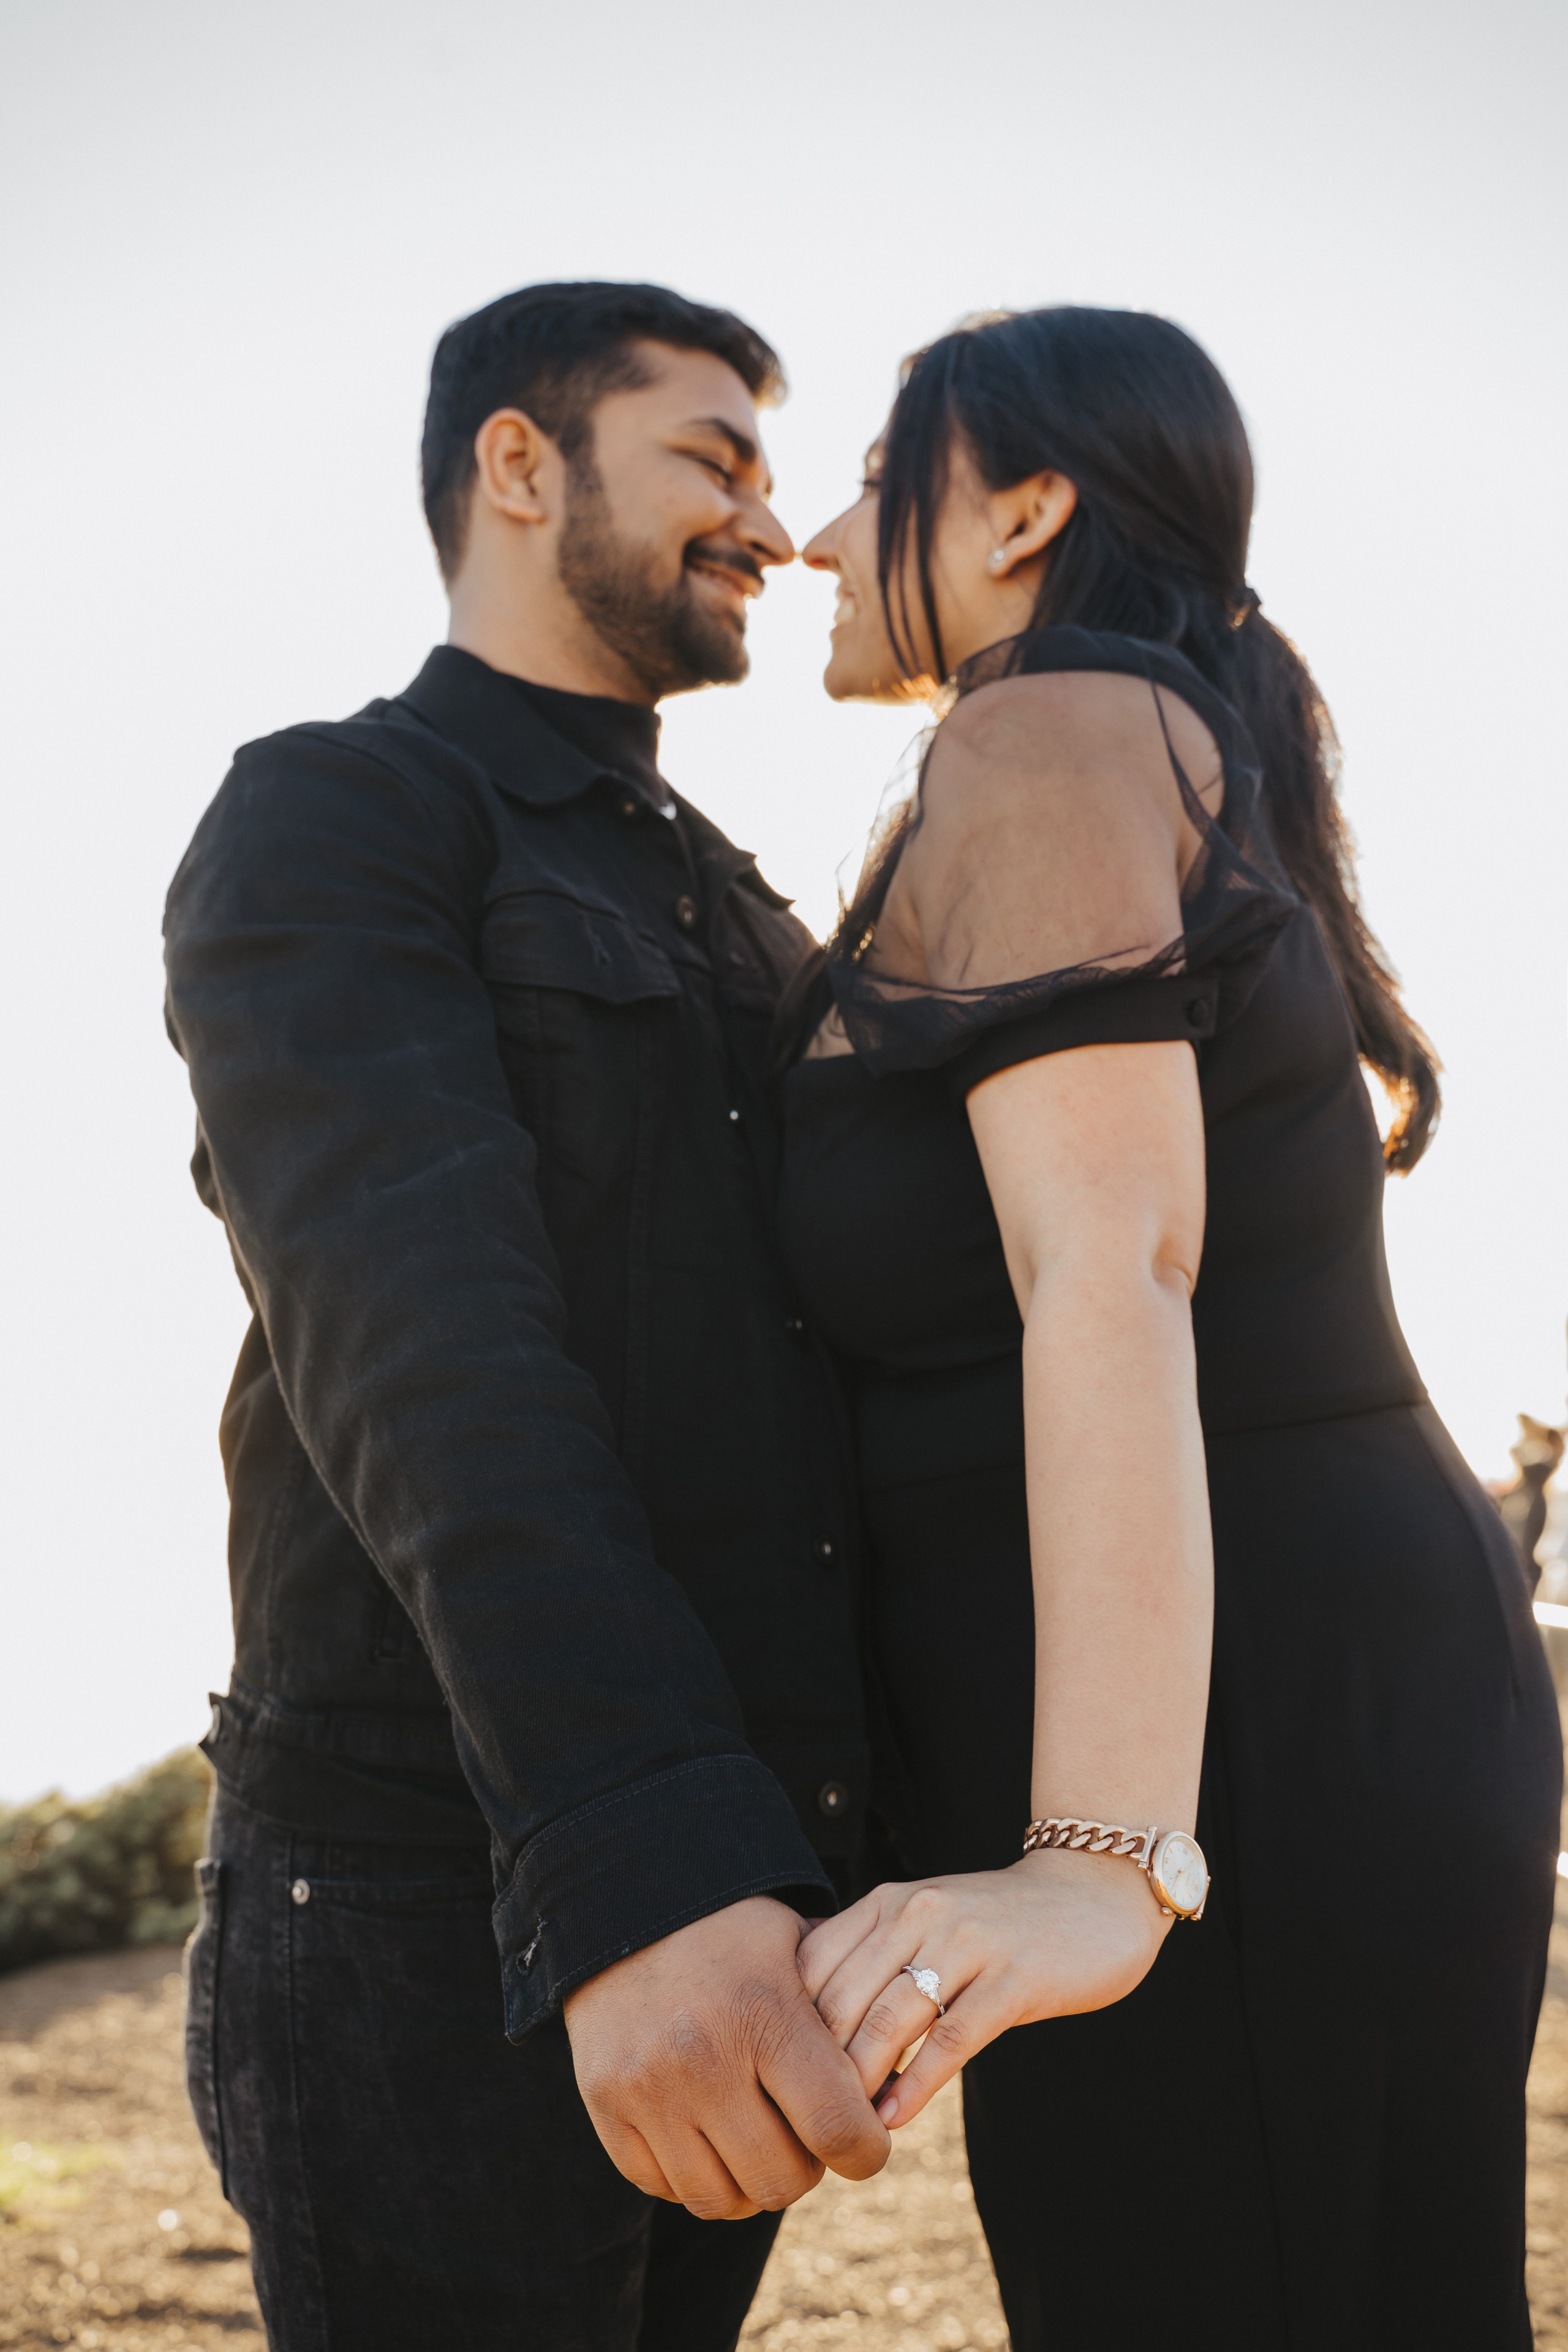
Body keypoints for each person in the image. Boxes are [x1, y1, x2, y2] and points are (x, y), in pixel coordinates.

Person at [776, 306, 1563, 2350]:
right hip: (1303, 1703)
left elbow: (1111, 1266)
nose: (815, 539)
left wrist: (1099, 1861)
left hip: (1237, 1750)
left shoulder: (1040, 734)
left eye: (873, 482)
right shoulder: (1150, 734)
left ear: (1024, 514)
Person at [163, 281, 888, 2352]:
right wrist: (639, 1866)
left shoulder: (742, 900)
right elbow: (427, 1355)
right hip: (434, 1895)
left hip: (750, 1889)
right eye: (714, 460)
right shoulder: (341, 813)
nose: (773, 524)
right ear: (517, 462)